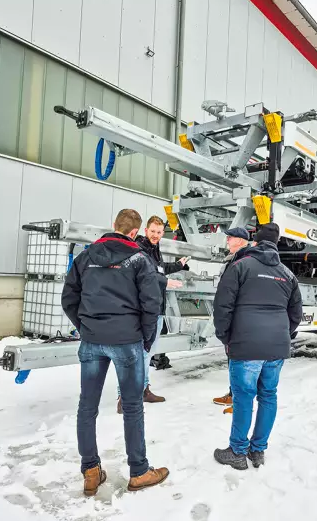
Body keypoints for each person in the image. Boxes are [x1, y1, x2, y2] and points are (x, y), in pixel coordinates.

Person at [61, 209, 169, 496]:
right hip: (127, 341)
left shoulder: (85, 257)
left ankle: (91, 471)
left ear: (114, 227)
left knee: (87, 407)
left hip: (92, 340)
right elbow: (151, 304)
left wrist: (85, 327)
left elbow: (68, 297)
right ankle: (139, 471)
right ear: (135, 233)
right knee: (132, 406)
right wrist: (146, 338)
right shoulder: (139, 259)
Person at [211, 223, 303, 470]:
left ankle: (238, 452)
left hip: (246, 345)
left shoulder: (240, 266)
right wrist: (283, 335)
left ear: (255, 242)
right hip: (276, 347)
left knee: (243, 398)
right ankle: (258, 450)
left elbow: (222, 306)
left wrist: (225, 337)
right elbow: (296, 314)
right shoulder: (287, 274)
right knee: (268, 396)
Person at [115, 215, 187, 413]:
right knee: (136, 355)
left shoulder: (154, 249)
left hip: (156, 309)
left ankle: (144, 390)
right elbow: (147, 274)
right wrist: (165, 282)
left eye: (159, 232)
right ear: (145, 231)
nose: (155, 235)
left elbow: (159, 270)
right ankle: (124, 397)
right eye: (152, 231)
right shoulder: (139, 248)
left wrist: (178, 265)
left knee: (146, 354)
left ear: (163, 233)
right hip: (143, 310)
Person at [211, 227, 252, 414]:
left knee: (241, 363)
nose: (227, 239)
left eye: (231, 237)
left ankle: (240, 402)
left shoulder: (243, 261)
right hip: (233, 319)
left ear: (242, 241)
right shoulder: (233, 259)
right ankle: (233, 394)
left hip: (240, 319)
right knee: (232, 359)